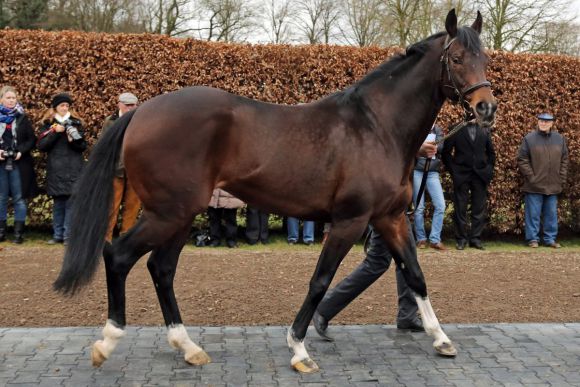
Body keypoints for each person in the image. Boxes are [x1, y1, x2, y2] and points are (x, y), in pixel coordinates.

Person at [313, 141, 438, 340]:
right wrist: (416, 149)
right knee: (379, 262)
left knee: (406, 258)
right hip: (384, 202)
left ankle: (407, 314)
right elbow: (384, 148)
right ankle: (324, 308)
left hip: (390, 199)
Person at [37, 92, 87, 245]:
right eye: (62, 105)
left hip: (74, 168)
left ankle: (68, 235)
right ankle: (57, 234)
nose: (65, 108)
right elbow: (41, 146)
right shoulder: (48, 125)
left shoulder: (76, 123)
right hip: (56, 169)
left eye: (67, 105)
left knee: (71, 204)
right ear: (55, 108)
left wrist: (73, 140)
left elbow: (83, 146)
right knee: (58, 204)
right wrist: (55, 133)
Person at [517, 113, 568, 248]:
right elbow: (522, 159)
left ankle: (550, 239)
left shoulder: (559, 139)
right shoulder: (529, 138)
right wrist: (531, 177)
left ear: (552, 124)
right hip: (534, 185)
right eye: (541, 121)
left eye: (546, 121)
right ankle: (532, 239)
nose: (543, 123)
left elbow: (564, 160)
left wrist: (561, 178)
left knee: (551, 215)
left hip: (553, 184)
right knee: (532, 215)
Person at [442, 121, 495, 250]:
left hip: (480, 175)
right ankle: (461, 239)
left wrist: (488, 169)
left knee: (479, 208)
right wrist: (454, 171)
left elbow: (491, 153)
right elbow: (446, 153)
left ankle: (475, 239)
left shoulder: (485, 129)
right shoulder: (456, 128)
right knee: (460, 208)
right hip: (461, 175)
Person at [0, 86, 38, 243]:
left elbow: (32, 140)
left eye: (13, 98)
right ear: (1, 99)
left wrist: (20, 151)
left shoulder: (22, 118)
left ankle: (18, 233)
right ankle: (1, 232)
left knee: (19, 198)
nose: (11, 100)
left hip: (19, 164)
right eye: (8, 98)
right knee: (1, 197)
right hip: (1, 163)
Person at [102, 92, 140, 242]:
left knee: (133, 205)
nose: (130, 108)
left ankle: (126, 237)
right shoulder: (109, 122)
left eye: (133, 105)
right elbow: (104, 145)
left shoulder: (140, 120)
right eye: (127, 105)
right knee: (112, 206)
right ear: (119, 104)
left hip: (135, 171)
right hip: (115, 169)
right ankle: (106, 238)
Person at [412, 124, 446, 251]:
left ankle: (435, 239)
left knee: (440, 205)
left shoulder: (438, 130)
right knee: (419, 207)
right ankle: (421, 239)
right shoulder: (419, 126)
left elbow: (441, 146)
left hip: (432, 171)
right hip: (417, 170)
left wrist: (433, 146)